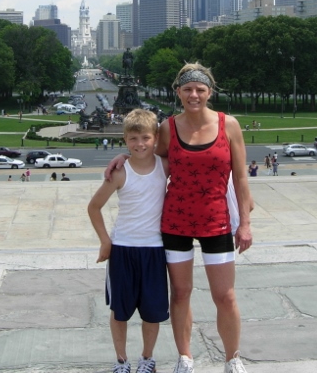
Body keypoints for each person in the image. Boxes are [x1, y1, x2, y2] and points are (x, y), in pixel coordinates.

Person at [105, 62, 253, 373]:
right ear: (178, 92)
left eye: (200, 89)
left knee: (224, 296)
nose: (194, 95)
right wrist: (122, 157)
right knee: (181, 293)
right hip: (176, 223)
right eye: (187, 89)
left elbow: (240, 178)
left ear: (209, 92)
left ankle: (232, 358)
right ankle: (185, 357)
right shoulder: (167, 128)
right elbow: (146, 157)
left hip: (217, 222)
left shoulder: (229, 126)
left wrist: (246, 225)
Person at [88, 109, 168, 373]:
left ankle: (147, 358)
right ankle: (121, 360)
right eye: (133, 139)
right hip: (123, 248)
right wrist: (105, 241)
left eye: (145, 137)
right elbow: (94, 207)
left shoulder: (164, 166)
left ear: (155, 138)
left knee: (152, 312)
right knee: (120, 311)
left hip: (154, 249)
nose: (140, 144)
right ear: (124, 139)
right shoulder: (120, 173)